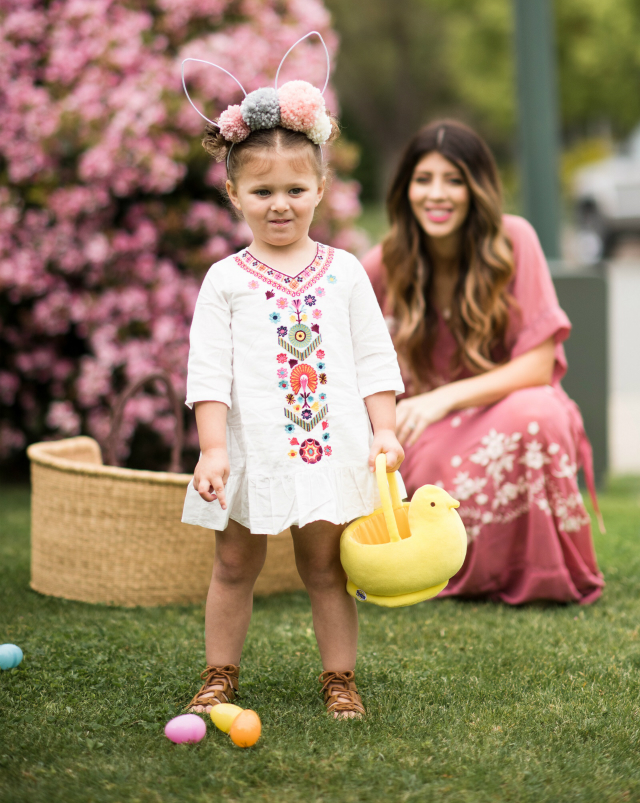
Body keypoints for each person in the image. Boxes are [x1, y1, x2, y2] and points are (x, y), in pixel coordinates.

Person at [180, 58, 404, 720]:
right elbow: (208, 369)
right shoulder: (226, 279)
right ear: (233, 195)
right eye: (262, 191)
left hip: (331, 448)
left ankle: (340, 677)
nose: (280, 203)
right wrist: (213, 448)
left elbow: (373, 356)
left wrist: (384, 428)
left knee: (327, 568)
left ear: (321, 188)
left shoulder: (344, 274)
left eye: (295, 190)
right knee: (233, 564)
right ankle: (220, 672)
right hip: (251, 451)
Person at [363, 120, 604, 606]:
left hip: (502, 409)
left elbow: (539, 366)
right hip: (424, 431)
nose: (438, 194)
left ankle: (537, 572)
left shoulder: (514, 241)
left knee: (539, 413)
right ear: (405, 188)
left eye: (453, 179)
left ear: (477, 188)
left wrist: (442, 398)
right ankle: (441, 570)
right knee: (420, 467)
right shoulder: (381, 264)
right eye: (424, 179)